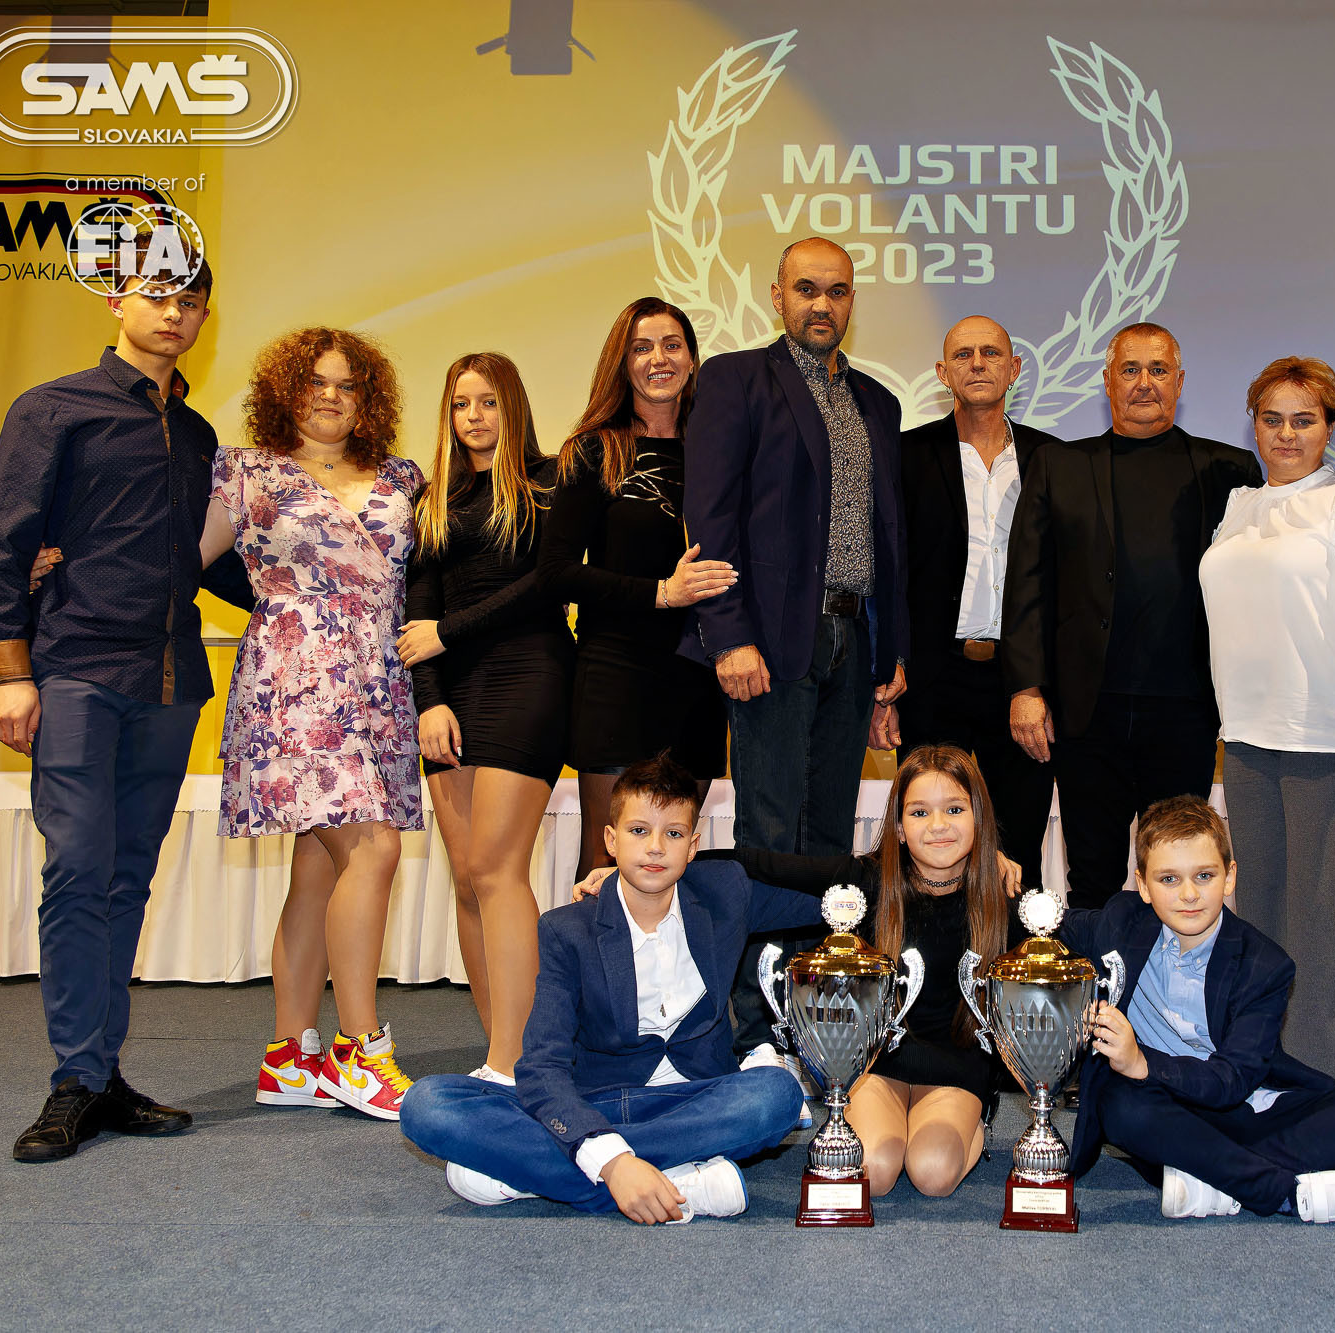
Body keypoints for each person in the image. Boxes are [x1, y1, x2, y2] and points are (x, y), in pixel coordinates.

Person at [0, 252, 248, 1162]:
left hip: (170, 681)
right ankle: (73, 1079)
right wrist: (10, 670)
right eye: (158, 296)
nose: (175, 314)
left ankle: (101, 1071)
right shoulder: (54, 408)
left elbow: (202, 560)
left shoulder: (199, 434)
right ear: (118, 299)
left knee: (128, 880)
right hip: (76, 669)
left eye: (191, 301)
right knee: (77, 872)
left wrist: (325, 595)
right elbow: (4, 544)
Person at [578, 745, 1026, 1198]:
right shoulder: (868, 880)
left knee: (933, 1174)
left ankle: (975, 1121)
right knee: (873, 1171)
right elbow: (757, 863)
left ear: (979, 819)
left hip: (955, 1067)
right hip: (880, 1062)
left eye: (955, 810)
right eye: (919, 812)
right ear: (898, 827)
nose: (938, 825)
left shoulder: (1003, 895)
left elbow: (1062, 939)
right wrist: (632, 873)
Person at [398, 754, 827, 1222]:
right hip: (595, 1103)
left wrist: (888, 876)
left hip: (693, 1101)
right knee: (428, 1104)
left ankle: (550, 1173)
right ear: (610, 839)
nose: (656, 848)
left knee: (776, 1094)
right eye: (639, 831)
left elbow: (830, 896)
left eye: (674, 834)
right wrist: (614, 1161)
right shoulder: (567, 929)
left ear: (693, 846)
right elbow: (541, 1066)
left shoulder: (724, 894)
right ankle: (674, 1181)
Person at [678, 237, 909, 1059]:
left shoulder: (878, 401)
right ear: (776, 295)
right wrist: (729, 635)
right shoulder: (738, 380)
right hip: (771, 641)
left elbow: (889, 538)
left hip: (854, 636)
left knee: (828, 836)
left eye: (837, 291)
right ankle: (758, 1024)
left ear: (852, 302)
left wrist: (890, 656)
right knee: (771, 835)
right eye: (806, 289)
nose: (822, 304)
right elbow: (710, 516)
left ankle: (819, 1010)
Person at [203, 327, 426, 1121]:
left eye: (347, 384)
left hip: (379, 684)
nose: (331, 396)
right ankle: (360, 1051)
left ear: (368, 399)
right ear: (284, 392)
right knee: (373, 846)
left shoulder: (403, 477)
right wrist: (63, 562)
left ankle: (289, 1055)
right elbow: (175, 558)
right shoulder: (245, 471)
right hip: (292, 681)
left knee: (318, 867)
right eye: (315, 382)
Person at [1199, 357, 1335, 1082]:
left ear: (1330, 427)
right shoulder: (1240, 507)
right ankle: (1264, 1074)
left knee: (1328, 930)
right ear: (1254, 425)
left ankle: (1324, 1087)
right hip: (1247, 739)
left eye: (1304, 419)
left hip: (1333, 738)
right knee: (1261, 917)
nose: (1286, 434)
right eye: (1272, 419)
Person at [1066, 796, 1335, 1221]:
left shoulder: (1264, 964)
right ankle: (1284, 1193)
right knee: (1121, 1106)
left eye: (1204, 875)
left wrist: (1142, 1062)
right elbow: (1047, 923)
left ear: (1230, 876)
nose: (1188, 894)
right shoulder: (1121, 922)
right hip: (1165, 1110)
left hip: (1248, 1109)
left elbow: (1232, 1080)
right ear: (1142, 885)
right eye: (1169, 879)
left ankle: (1207, 1175)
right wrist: (1001, 878)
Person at [1002, 322, 1260, 909]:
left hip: (1186, 711)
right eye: (1131, 370)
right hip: (1087, 713)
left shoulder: (1229, 470)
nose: (1145, 383)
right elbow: (1027, 584)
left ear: (1180, 381)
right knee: (1092, 874)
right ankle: (1096, 972)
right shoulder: (1058, 465)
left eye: (1158, 370)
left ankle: (1172, 973)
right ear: (1108, 381)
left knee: (1180, 871)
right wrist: (1025, 688)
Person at [394, 352, 572, 1083]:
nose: (474, 415)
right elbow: (419, 615)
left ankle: (516, 1057)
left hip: (529, 675)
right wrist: (429, 699)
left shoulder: (551, 481)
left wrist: (448, 634)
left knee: (498, 869)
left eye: (489, 401)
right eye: (461, 403)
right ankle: (502, 1048)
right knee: (468, 877)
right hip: (452, 692)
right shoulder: (433, 498)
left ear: (514, 406)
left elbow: (547, 586)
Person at [538, 298, 734, 878]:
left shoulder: (719, 451)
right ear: (622, 363)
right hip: (617, 675)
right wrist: (661, 593)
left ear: (693, 359)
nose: (659, 359)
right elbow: (555, 572)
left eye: (672, 345)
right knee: (605, 862)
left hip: (697, 679)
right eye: (642, 348)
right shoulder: (594, 450)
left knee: (672, 861)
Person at [876, 317, 1057, 887]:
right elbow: (888, 572)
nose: (977, 363)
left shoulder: (1053, 459)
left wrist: (1042, 684)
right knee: (930, 844)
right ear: (942, 372)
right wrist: (887, 677)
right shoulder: (906, 455)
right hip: (933, 678)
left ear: (1015, 368)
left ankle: (1018, 945)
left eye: (991, 353)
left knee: (1019, 844)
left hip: (1021, 682)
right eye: (963, 354)